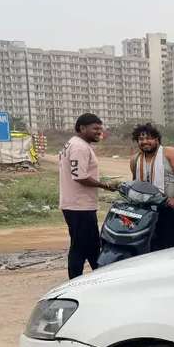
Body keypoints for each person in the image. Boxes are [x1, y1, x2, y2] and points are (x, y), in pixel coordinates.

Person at [59, 113, 118, 279]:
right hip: (79, 206)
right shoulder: (79, 147)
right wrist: (105, 185)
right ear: (82, 128)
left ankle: (99, 277)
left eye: (100, 128)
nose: (99, 132)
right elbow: (80, 176)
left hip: (77, 204)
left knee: (90, 246)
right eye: (95, 128)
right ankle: (77, 282)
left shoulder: (74, 143)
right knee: (81, 247)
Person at [129, 123, 174, 250]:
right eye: (141, 139)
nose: (145, 141)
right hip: (154, 208)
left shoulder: (170, 152)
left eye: (149, 138)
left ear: (156, 139)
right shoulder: (135, 159)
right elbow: (137, 184)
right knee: (162, 246)